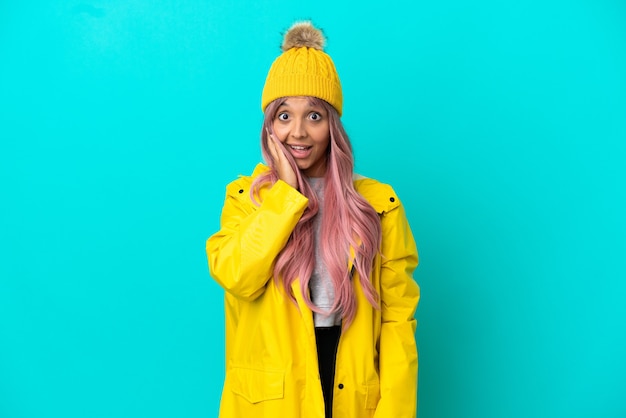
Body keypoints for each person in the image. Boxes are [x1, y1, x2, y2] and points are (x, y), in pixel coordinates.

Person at [206, 20, 420, 418]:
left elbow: (397, 318)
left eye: (314, 116)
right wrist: (285, 197)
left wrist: (395, 410)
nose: (298, 132)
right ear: (269, 125)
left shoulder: (378, 204)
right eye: (284, 116)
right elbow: (237, 275)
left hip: (350, 385)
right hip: (271, 399)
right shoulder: (246, 199)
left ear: (333, 125)